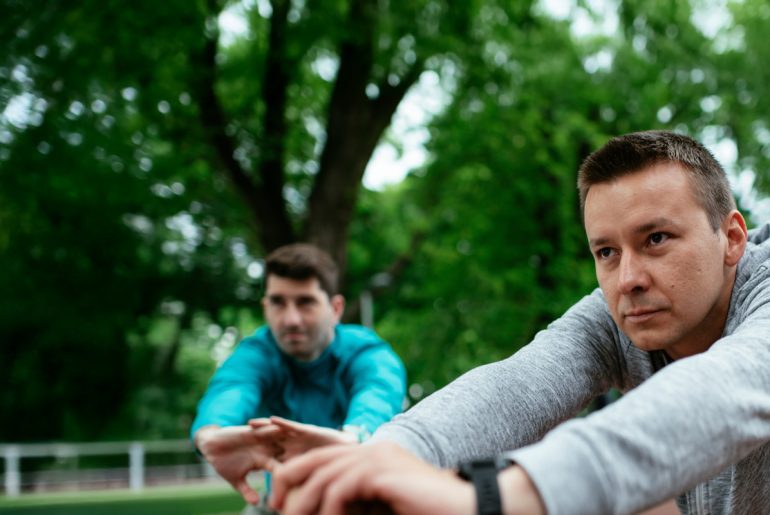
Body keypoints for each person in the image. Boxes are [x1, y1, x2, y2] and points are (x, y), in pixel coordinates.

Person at [268, 130, 770, 515]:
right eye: (607, 251)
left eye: (656, 238)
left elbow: (721, 389)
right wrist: (385, 457)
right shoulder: (619, 316)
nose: (628, 279)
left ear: (730, 238)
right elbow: (517, 386)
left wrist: (494, 497)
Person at [190, 243, 407, 511]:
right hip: (283, 500)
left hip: (359, 495)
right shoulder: (256, 354)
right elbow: (230, 391)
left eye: (305, 302)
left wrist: (354, 438)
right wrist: (209, 435)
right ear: (265, 307)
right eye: (278, 303)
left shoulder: (365, 351)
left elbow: (379, 392)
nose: (291, 319)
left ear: (336, 308)